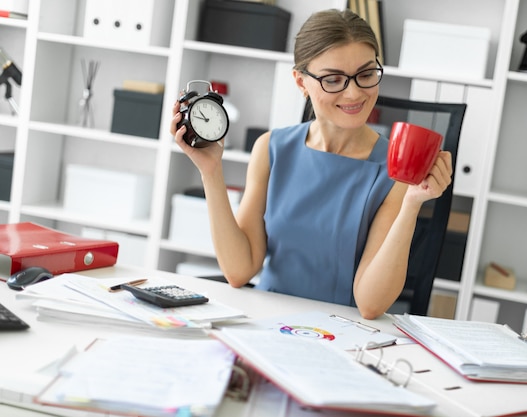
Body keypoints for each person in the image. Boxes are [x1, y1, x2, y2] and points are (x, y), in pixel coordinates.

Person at [170, 8, 453, 319]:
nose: (355, 92)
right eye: (333, 79)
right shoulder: (271, 149)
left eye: (367, 74)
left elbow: (370, 305)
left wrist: (412, 204)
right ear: (301, 81)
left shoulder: (392, 172)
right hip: (266, 321)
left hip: (339, 332)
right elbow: (239, 271)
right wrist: (211, 172)